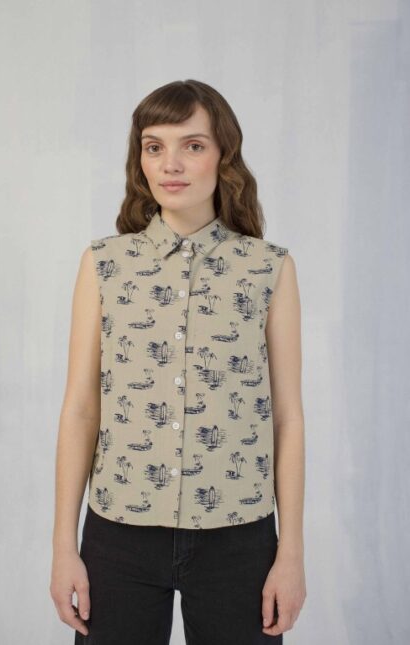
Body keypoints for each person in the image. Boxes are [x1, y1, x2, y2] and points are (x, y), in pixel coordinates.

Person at [49, 79, 306, 644]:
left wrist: (290, 553)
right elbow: (81, 409)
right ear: (139, 159)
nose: (170, 164)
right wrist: (64, 546)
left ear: (223, 155)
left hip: (239, 537)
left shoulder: (269, 269)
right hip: (119, 535)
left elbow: (287, 418)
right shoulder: (104, 265)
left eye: (192, 145)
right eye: (154, 146)